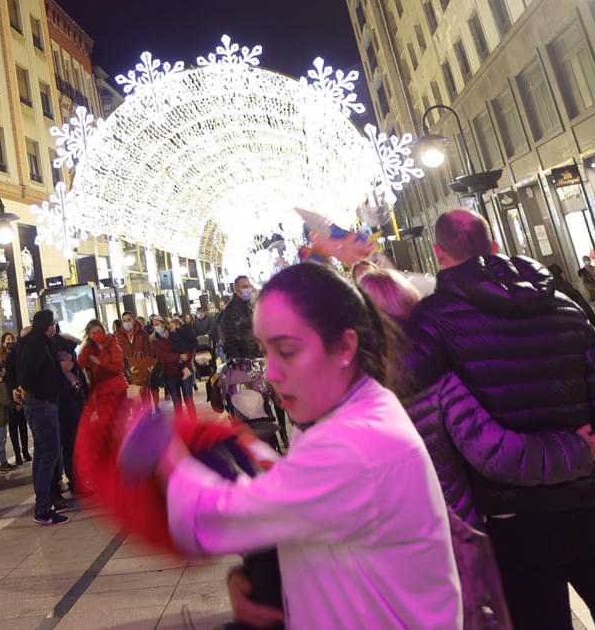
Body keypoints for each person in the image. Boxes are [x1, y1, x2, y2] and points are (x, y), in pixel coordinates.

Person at [155, 263, 461, 629]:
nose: (270, 373)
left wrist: (162, 455)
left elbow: (221, 518)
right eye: (266, 351)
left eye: (286, 351)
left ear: (345, 346)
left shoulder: (352, 445)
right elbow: (300, 497)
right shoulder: (345, 412)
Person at [407, 211, 595, 630]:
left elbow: (414, 398)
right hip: (589, 497)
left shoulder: (434, 319)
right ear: (495, 245)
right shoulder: (563, 305)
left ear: (438, 253)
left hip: (511, 514)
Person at [360, 271, 595, 529]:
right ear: (412, 308)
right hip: (448, 535)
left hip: (383, 543)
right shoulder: (437, 382)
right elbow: (496, 454)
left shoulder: (342, 392)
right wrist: (576, 450)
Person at [12, 309, 71, 525]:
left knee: (42, 453)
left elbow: (13, 366)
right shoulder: (38, 343)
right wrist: (24, 386)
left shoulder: (29, 341)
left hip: (38, 402)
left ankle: (43, 503)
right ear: (47, 324)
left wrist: (19, 387)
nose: (54, 327)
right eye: (53, 323)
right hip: (42, 403)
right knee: (50, 454)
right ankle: (43, 508)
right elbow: (29, 371)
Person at [53, 335, 87, 501]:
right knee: (68, 446)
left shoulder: (70, 363)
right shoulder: (63, 360)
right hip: (65, 407)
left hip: (68, 406)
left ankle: (71, 481)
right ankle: (72, 481)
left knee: (68, 447)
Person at [0, 331, 28, 467]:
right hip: (9, 395)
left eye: (12, 339)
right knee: (13, 427)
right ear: (3, 343)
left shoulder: (19, 354)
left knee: (23, 425)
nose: (10, 341)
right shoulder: (0, 358)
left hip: (20, 392)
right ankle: (17, 454)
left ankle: (25, 451)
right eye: (8, 340)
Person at [116, 311, 157, 405]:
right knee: (134, 398)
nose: (127, 322)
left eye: (129, 320)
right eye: (124, 320)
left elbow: (148, 351)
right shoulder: (119, 336)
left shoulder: (142, 334)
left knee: (145, 395)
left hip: (142, 368)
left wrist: (147, 367)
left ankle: (148, 416)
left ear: (133, 320)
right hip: (128, 371)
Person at [218, 276, 261, 361]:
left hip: (255, 358)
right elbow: (230, 342)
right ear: (236, 289)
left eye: (250, 286)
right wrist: (238, 364)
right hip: (244, 362)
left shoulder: (249, 307)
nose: (248, 289)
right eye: (245, 287)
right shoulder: (231, 310)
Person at [80, 318, 127, 389]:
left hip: (116, 385)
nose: (97, 334)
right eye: (93, 333)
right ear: (89, 335)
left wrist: (99, 362)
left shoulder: (112, 343)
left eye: (99, 331)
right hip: (99, 387)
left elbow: (119, 367)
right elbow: (80, 365)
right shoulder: (89, 348)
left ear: (103, 331)